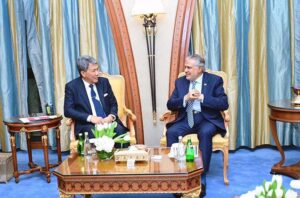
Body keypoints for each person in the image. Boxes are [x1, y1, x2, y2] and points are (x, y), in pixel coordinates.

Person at [166, 54, 228, 197]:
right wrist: (185, 98)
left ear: (200, 69)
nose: (185, 70)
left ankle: (201, 176)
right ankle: (177, 176)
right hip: (186, 119)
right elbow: (170, 104)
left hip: (207, 119)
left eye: (189, 67)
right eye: (185, 67)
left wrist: (202, 98)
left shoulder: (214, 81)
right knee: (172, 132)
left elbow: (224, 104)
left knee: (205, 133)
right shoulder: (180, 82)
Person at [64, 55, 128, 147]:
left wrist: (111, 116)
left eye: (97, 69)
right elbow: (68, 111)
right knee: (96, 135)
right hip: (88, 125)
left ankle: (121, 159)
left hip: (108, 122)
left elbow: (113, 103)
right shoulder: (72, 87)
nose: (97, 73)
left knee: (120, 132)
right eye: (94, 71)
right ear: (83, 73)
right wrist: (90, 118)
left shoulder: (104, 82)